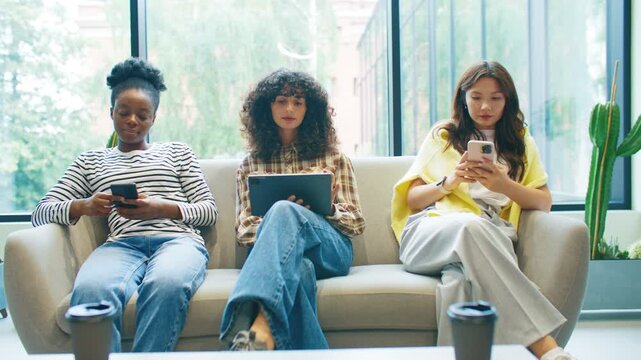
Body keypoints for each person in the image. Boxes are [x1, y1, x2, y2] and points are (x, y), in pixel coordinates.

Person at [390, 61, 575, 360]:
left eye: (495, 98)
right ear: (463, 98)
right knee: (469, 224)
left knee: (459, 284)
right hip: (430, 233)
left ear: (508, 100)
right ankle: (545, 347)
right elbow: (412, 199)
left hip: (488, 236)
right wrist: (449, 182)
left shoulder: (520, 141)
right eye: (476, 97)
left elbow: (543, 202)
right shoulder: (443, 136)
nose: (485, 106)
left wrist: (503, 185)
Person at [31, 57, 218, 352]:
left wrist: (161, 208)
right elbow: (41, 212)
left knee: (166, 285)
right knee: (92, 291)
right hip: (121, 245)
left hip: (178, 241)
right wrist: (84, 206)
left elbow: (208, 211)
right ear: (111, 112)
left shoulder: (178, 152)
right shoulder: (91, 160)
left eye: (143, 115)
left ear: (154, 118)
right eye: (124, 112)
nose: (133, 121)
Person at [219, 69, 366, 351]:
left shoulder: (333, 158)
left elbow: (356, 224)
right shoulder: (251, 164)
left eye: (298, 102)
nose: (289, 108)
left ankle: (247, 317)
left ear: (309, 109)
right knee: (299, 268)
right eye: (281, 100)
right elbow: (244, 230)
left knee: (285, 211)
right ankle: (266, 338)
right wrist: (281, 221)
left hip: (330, 251)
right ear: (267, 106)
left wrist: (328, 208)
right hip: (283, 257)